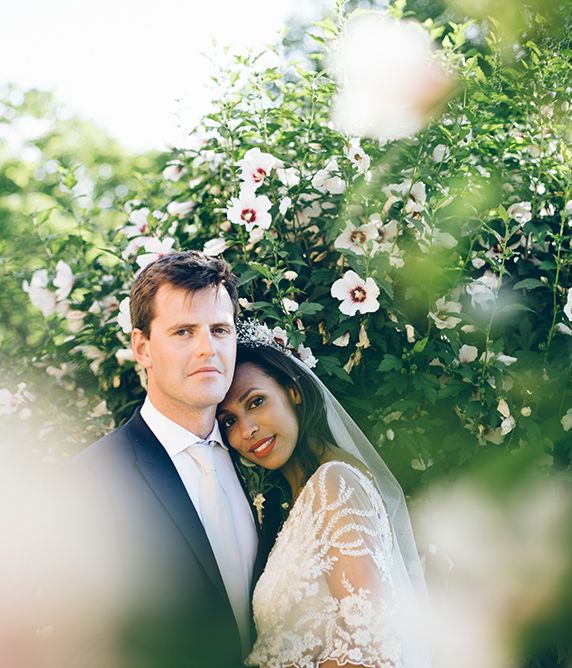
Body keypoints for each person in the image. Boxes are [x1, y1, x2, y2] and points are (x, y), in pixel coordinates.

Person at [58, 252, 277, 668]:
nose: (207, 349)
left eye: (219, 329)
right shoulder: (91, 482)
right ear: (142, 347)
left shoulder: (266, 457)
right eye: (183, 332)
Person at [217, 323, 429, 668]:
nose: (246, 430)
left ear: (293, 391)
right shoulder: (300, 500)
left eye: (255, 402)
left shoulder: (335, 484)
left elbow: (370, 646)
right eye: (228, 421)